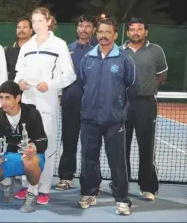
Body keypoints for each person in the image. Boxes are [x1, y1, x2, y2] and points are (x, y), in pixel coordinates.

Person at [14, 7, 76, 204]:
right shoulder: (26, 46)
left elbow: (69, 75)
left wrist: (49, 84)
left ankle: (43, 189)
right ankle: (28, 186)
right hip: (27, 101)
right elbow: (17, 73)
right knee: (26, 143)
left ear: (49, 21)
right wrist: (20, 82)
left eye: (40, 20)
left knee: (45, 145)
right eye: (34, 21)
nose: (36, 25)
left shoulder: (59, 45)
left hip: (47, 101)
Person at [77, 18, 138, 216]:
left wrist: (121, 112)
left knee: (117, 162)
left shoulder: (124, 59)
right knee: (88, 159)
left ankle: (121, 199)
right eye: (100, 32)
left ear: (115, 34)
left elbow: (131, 87)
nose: (103, 35)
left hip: (114, 122)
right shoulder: (87, 58)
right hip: (89, 120)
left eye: (107, 32)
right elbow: (83, 83)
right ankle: (89, 192)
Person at [122, 18, 167, 201]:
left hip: (146, 104)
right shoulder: (119, 51)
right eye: (132, 30)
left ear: (145, 32)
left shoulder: (156, 50)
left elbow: (162, 75)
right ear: (128, 33)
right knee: (121, 147)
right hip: (124, 104)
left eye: (139, 29)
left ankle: (148, 187)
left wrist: (147, 89)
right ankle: (121, 184)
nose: (135, 33)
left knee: (146, 146)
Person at [0, 81, 48, 213]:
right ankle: (7, 180)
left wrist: (34, 147)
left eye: (7, 97)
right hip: (9, 156)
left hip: (31, 157)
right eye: (1, 97)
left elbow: (43, 140)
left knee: (29, 161)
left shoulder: (32, 113)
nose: (3, 102)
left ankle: (32, 192)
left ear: (18, 98)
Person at [56, 15, 97, 191]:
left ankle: (91, 180)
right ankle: (66, 177)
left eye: (88, 26)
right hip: (70, 103)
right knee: (69, 141)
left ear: (93, 30)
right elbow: (59, 74)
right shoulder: (67, 50)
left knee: (91, 143)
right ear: (77, 28)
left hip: (92, 104)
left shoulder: (98, 50)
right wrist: (60, 94)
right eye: (81, 25)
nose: (84, 29)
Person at [4, 17, 33, 81]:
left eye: (25, 27)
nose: (21, 30)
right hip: (12, 88)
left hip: (31, 88)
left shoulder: (37, 50)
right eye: (19, 27)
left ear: (31, 30)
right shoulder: (8, 50)